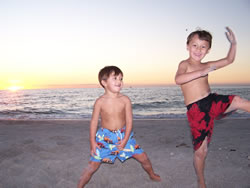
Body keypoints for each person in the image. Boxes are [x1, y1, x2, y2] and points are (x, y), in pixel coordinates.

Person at [175, 27, 250, 188]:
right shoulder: (185, 64)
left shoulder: (207, 64)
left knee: (238, 101)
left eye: (203, 47)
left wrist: (234, 44)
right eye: (195, 45)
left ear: (208, 50)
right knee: (201, 152)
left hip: (211, 101)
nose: (198, 50)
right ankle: (201, 182)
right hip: (197, 110)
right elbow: (179, 79)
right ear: (187, 46)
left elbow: (229, 60)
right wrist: (202, 72)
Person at [77, 66, 161, 188]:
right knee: (92, 165)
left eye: (121, 78)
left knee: (143, 157)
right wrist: (92, 142)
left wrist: (126, 139)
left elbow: (129, 121)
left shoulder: (125, 100)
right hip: (105, 137)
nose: (119, 81)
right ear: (104, 83)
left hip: (123, 135)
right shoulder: (100, 102)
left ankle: (152, 174)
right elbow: (94, 122)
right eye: (115, 78)